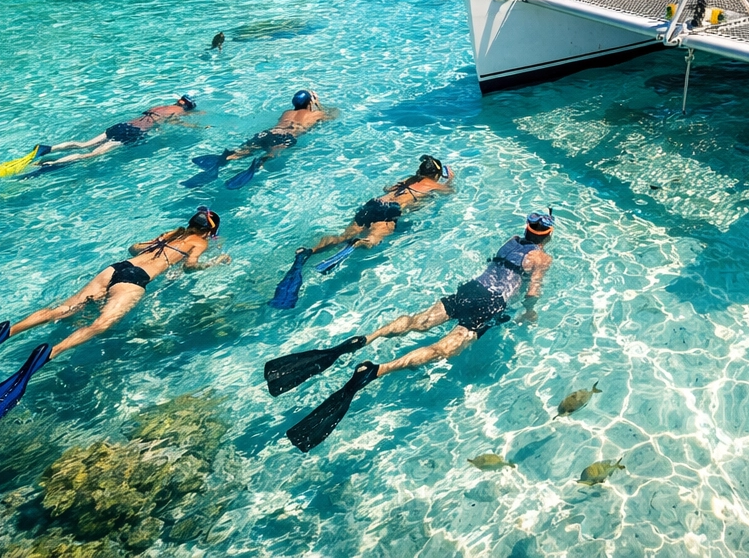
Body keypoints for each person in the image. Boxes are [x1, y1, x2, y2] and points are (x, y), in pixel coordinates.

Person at [267, 212, 556, 451]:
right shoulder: (542, 258)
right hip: (491, 303)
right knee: (443, 350)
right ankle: (375, 370)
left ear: (526, 229)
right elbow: (533, 290)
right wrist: (529, 310)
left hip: (472, 288)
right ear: (548, 235)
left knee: (418, 322)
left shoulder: (511, 241)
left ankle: (367, 338)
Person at [0, 208, 228, 430]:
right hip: (135, 281)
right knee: (101, 324)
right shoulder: (198, 242)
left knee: (64, 308)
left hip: (116, 268)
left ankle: (6, 333)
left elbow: (134, 248)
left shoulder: (171, 233)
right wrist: (214, 262)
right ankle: (50, 353)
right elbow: (190, 267)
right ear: (208, 232)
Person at [306, 156, 453, 255]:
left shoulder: (409, 179)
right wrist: (450, 179)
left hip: (375, 203)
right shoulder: (434, 185)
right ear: (436, 175)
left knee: (343, 236)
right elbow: (450, 192)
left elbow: (387, 189)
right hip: (390, 210)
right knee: (374, 237)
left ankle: (310, 250)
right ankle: (362, 242)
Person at [189, 90, 331, 188]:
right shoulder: (315, 114)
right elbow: (330, 115)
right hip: (285, 136)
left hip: (267, 133)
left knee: (244, 151)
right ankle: (256, 165)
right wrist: (318, 103)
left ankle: (224, 159)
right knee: (272, 154)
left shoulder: (286, 112)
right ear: (309, 103)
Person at [24, 95, 197, 173]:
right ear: (187, 107)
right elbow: (174, 122)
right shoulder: (178, 111)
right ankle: (49, 166)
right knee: (90, 155)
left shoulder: (159, 106)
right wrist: (195, 127)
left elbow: (153, 118)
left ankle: (47, 148)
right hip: (132, 132)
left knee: (84, 144)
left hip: (122, 125)